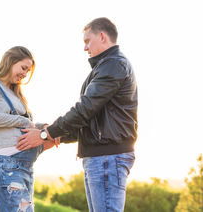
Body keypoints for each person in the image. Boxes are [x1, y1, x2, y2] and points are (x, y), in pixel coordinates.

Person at [16, 18, 138, 212]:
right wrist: (56, 135)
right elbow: (91, 121)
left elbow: (84, 110)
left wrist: (44, 135)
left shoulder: (113, 65)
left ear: (102, 36)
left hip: (107, 157)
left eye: (87, 41)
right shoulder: (106, 66)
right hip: (102, 156)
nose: (85, 48)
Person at [0, 46, 57, 212]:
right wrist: (22, 121)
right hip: (6, 167)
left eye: (28, 71)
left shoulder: (16, 94)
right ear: (11, 61)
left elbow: (27, 125)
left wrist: (47, 128)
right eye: (23, 68)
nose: (25, 74)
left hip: (24, 167)